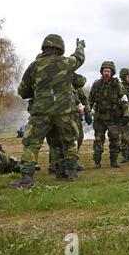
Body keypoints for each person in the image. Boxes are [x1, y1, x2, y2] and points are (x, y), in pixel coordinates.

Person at [9, 34, 86, 188]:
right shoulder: (67, 63)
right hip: (63, 112)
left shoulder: (34, 66)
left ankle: (26, 179)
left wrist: (38, 90)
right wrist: (80, 46)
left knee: (32, 144)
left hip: (41, 112)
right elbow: (79, 57)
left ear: (44, 47)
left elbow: (23, 92)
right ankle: (70, 173)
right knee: (68, 142)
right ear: (60, 47)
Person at [89, 61, 129, 168]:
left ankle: (114, 161)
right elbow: (90, 100)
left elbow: (124, 100)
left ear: (112, 72)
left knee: (115, 139)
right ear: (102, 72)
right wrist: (88, 113)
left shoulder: (118, 85)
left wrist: (126, 114)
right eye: (104, 71)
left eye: (108, 71)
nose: (106, 73)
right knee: (98, 140)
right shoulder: (96, 84)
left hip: (114, 118)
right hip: (100, 118)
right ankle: (97, 162)